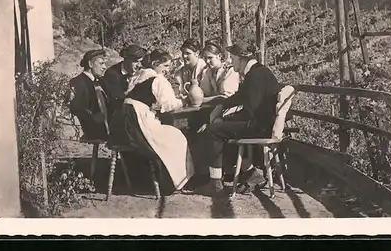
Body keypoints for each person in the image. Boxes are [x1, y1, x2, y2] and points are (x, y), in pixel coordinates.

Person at [196, 41, 283, 196]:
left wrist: (226, 118)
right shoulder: (256, 72)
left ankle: (215, 183)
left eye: (232, 57)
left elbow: (250, 110)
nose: (230, 61)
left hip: (261, 127)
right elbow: (239, 97)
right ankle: (252, 175)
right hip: (261, 123)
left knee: (213, 130)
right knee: (222, 128)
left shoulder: (256, 76)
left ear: (242, 59)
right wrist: (221, 107)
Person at [109, 49, 195, 193]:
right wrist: (184, 101)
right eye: (165, 66)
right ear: (156, 64)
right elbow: (168, 105)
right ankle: (174, 182)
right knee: (176, 137)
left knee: (170, 135)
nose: (167, 70)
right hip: (137, 119)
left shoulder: (139, 75)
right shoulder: (158, 79)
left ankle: (164, 178)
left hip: (123, 118)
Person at [68, 49, 110, 142]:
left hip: (106, 123)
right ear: (90, 64)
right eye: (101, 63)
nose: (104, 67)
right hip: (92, 128)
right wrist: (97, 120)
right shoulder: (78, 82)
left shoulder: (101, 81)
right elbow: (77, 108)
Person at [103, 44, 146, 110]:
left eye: (141, 62)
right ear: (126, 59)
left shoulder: (139, 72)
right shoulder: (112, 75)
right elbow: (117, 101)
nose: (139, 65)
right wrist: (130, 90)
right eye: (136, 62)